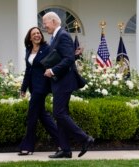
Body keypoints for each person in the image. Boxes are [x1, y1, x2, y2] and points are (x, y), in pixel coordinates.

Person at [42, 12, 94, 158]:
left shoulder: (62, 35)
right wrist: (75, 55)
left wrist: (52, 71)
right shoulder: (57, 36)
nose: (44, 26)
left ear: (53, 21)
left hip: (64, 81)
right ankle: (65, 150)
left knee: (59, 113)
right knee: (60, 114)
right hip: (60, 81)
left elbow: (67, 59)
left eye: (45, 23)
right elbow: (65, 56)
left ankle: (85, 138)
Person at [18, 26, 60, 156]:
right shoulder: (28, 50)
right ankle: (62, 143)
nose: (37, 35)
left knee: (32, 115)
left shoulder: (47, 49)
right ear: (30, 38)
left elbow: (57, 60)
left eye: (38, 33)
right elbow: (28, 71)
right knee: (43, 116)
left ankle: (28, 147)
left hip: (42, 86)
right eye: (34, 34)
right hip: (33, 87)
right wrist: (23, 88)